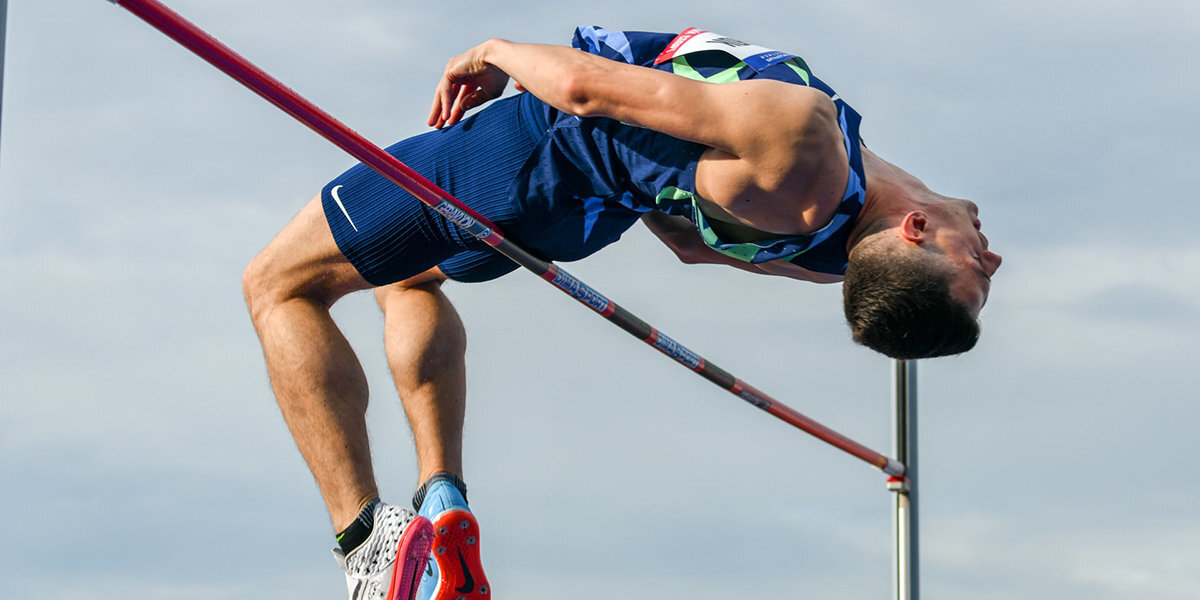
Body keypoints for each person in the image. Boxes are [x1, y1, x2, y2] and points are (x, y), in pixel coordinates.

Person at [241, 26, 1001, 600]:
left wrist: (495, 51)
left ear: (915, 234)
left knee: (279, 285)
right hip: (577, 218)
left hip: (526, 152)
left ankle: (365, 540)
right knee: (408, 283)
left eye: (977, 273)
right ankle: (442, 502)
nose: (992, 260)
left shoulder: (801, 139)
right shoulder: (836, 246)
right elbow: (692, 247)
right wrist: (642, 173)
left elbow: (584, 92)